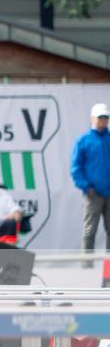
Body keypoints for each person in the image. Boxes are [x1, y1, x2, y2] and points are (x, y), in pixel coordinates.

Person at [72, 104, 110, 253]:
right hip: (93, 194)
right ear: (92, 118)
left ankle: (109, 270)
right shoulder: (83, 141)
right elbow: (75, 168)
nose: (103, 120)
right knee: (89, 231)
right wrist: (86, 187)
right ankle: (87, 267)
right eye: (100, 117)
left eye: (106, 117)